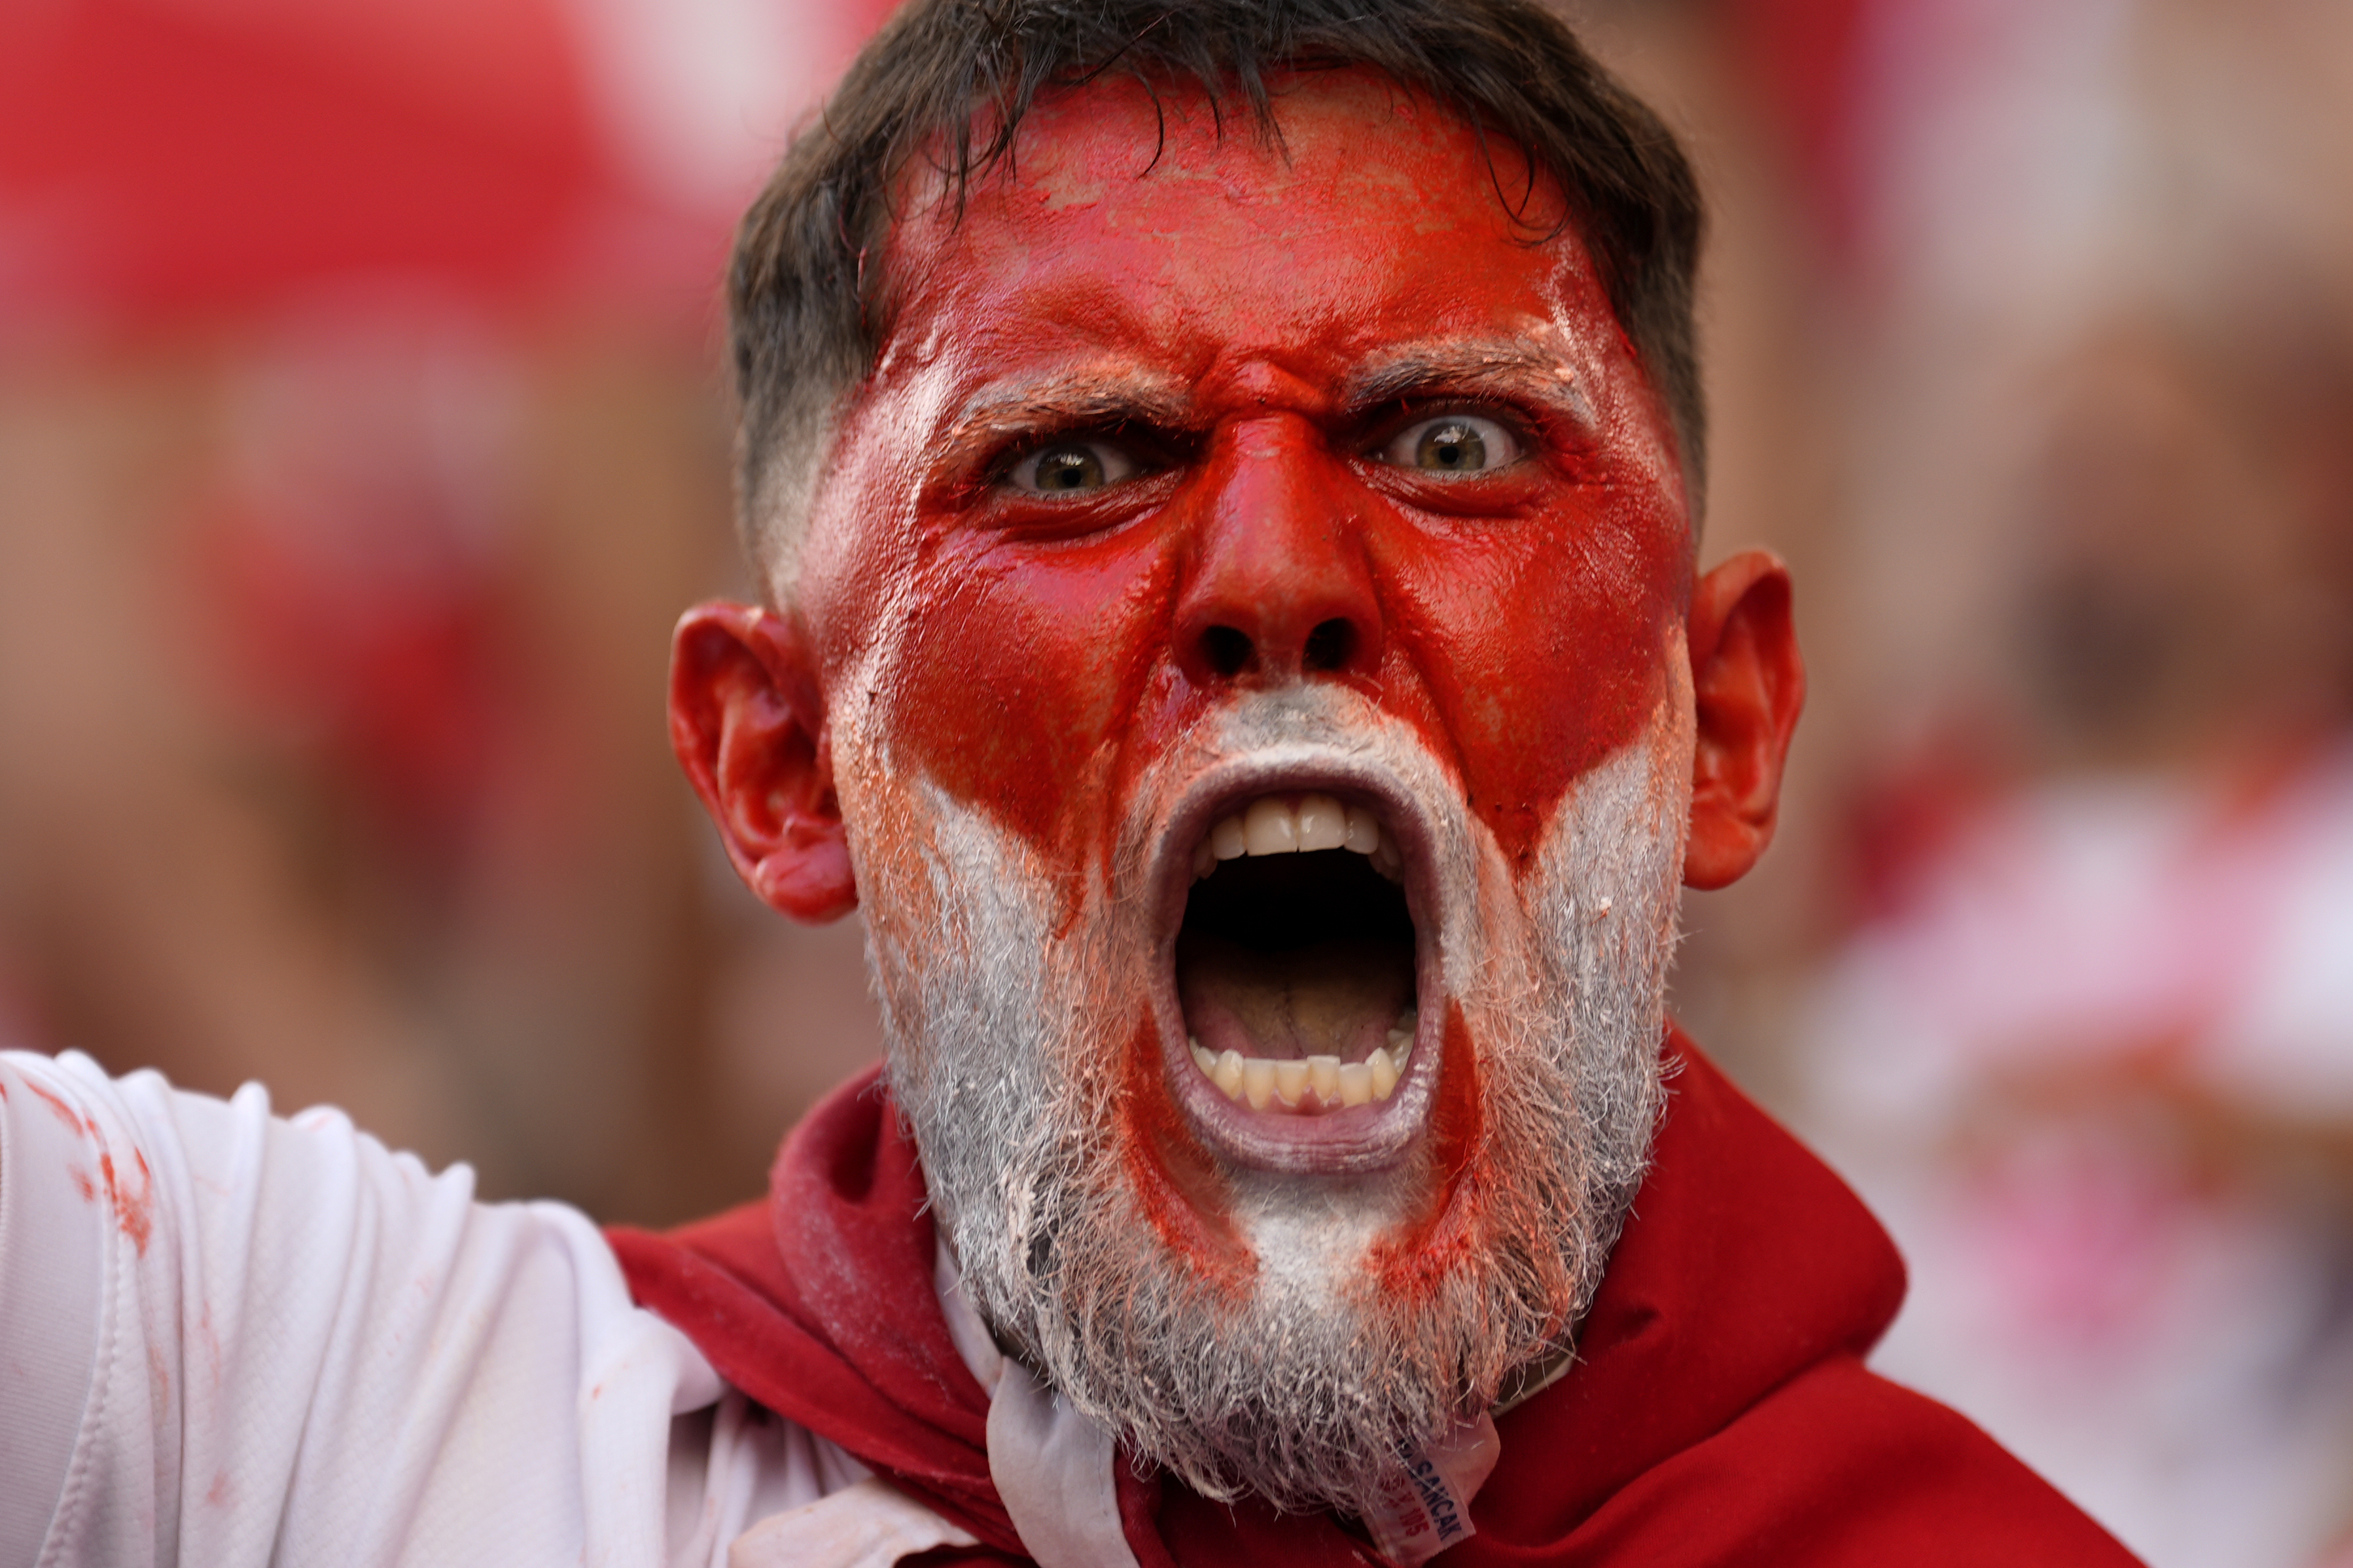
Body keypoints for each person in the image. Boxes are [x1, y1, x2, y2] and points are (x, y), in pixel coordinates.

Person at [0, 1, 2140, 1563]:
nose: (1280, 578)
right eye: (1077, 463)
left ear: (1725, 727)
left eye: (1452, 443)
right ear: (778, 767)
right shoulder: (392, 1440)